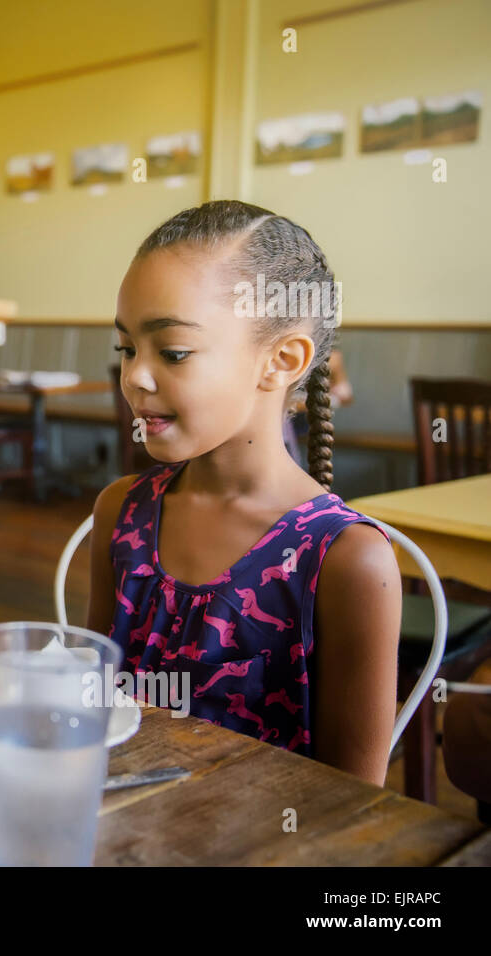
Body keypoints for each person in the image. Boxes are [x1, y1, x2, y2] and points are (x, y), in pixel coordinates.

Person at [85, 201, 401, 785]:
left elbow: (353, 808)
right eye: (126, 348)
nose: (134, 376)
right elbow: (93, 703)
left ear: (281, 360)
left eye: (172, 352)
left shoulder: (348, 561)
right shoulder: (121, 511)